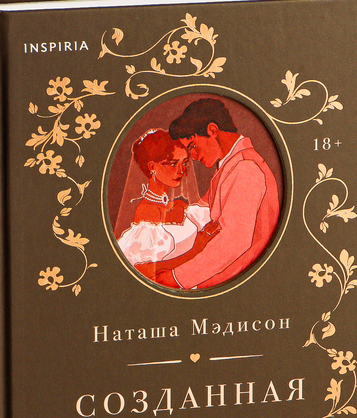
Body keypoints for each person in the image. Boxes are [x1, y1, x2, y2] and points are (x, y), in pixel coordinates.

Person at [155, 98, 280, 290]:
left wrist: (177, 278)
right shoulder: (229, 167)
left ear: (212, 130)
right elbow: (202, 209)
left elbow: (233, 242)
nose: (193, 156)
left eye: (192, 146)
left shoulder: (246, 167)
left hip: (241, 283)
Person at [117, 129, 220, 282]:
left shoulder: (181, 207)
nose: (182, 171)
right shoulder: (147, 212)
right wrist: (194, 251)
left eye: (184, 163)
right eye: (173, 164)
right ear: (152, 167)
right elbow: (142, 270)